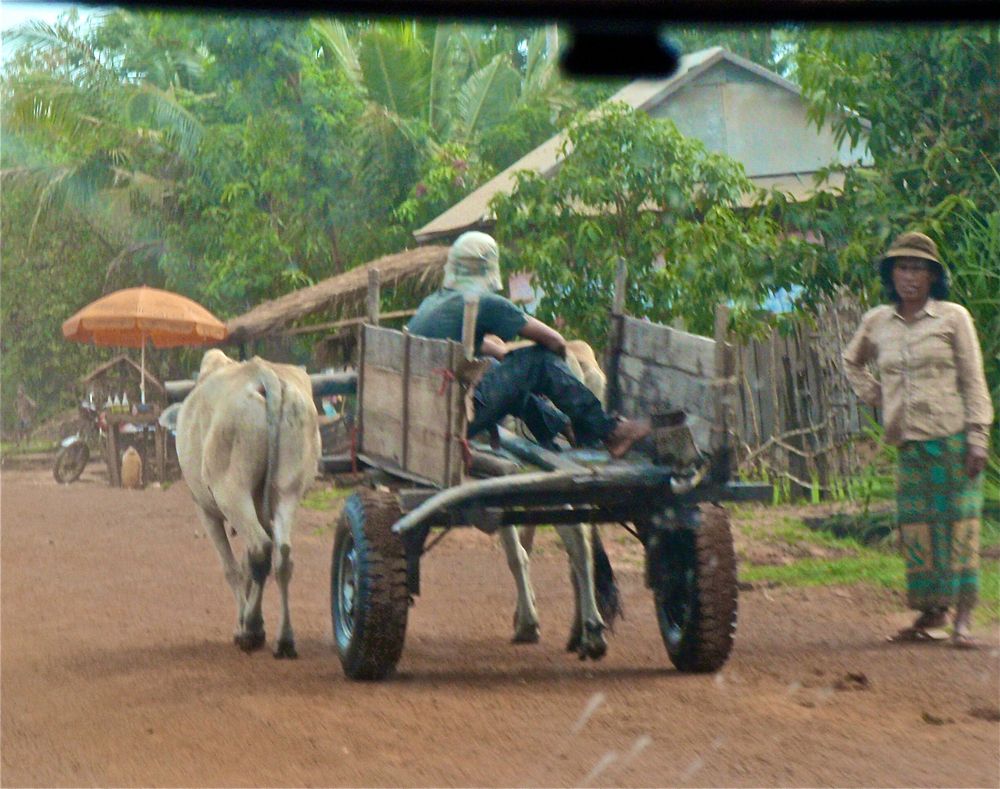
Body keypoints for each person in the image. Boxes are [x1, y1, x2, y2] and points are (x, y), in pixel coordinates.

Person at [842, 231, 994, 649]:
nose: (910, 276)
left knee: (959, 530)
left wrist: (978, 436)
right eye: (902, 267)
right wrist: (879, 396)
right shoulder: (878, 322)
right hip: (909, 446)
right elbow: (850, 361)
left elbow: (973, 380)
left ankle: (962, 622)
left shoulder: (953, 318)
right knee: (919, 533)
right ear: (891, 275)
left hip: (954, 442)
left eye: (919, 269)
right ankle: (931, 616)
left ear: (933, 276)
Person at [407, 231, 650, 458]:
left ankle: (562, 426)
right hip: (456, 414)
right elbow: (554, 341)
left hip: (429, 409)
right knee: (540, 361)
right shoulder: (484, 301)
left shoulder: (434, 302)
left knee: (501, 368)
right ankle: (611, 432)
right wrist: (555, 370)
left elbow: (465, 346)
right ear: (489, 267)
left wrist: (504, 356)